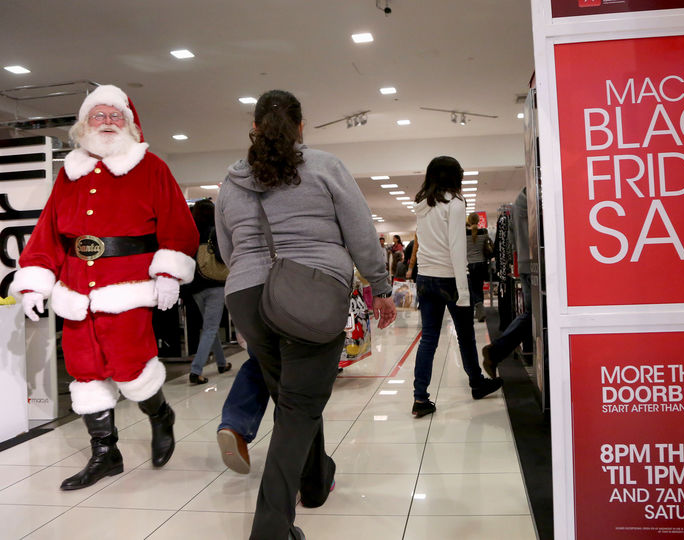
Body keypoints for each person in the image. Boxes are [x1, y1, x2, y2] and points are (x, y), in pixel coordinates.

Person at [214, 89, 396, 540]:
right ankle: (271, 529)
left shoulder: (230, 180)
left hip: (246, 297)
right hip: (308, 293)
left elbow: (225, 249)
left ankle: (315, 482)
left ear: (254, 127)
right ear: (301, 127)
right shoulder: (324, 166)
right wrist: (382, 287)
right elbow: (359, 233)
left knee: (294, 400)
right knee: (297, 409)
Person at [10, 84, 199, 490]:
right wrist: (34, 282)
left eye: (116, 116)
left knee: (131, 367)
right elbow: (48, 233)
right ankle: (104, 453)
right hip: (76, 290)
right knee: (85, 370)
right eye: (99, 115)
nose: (107, 122)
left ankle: (159, 413)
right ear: (84, 124)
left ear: (129, 124)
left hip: (128, 285)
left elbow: (177, 226)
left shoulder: (151, 168)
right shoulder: (70, 172)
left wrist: (168, 274)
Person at [410, 156, 503, 418]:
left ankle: (420, 398)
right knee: (465, 335)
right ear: (455, 176)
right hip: (449, 278)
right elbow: (456, 247)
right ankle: (476, 383)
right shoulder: (455, 203)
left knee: (428, 339)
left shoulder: (422, 204)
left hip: (425, 278)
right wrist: (463, 290)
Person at [483, 186, 534, 378]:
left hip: (526, 262)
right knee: (537, 315)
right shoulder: (533, 197)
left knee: (533, 314)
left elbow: (511, 239)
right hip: (538, 262)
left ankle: (496, 352)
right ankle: (496, 351)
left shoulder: (519, 201)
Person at [184, 199, 232, 384]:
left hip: (195, 286)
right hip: (215, 284)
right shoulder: (216, 231)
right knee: (211, 327)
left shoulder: (190, 232)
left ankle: (221, 363)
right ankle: (196, 371)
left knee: (209, 327)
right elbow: (222, 256)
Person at [465, 212, 492, 322]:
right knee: (479, 287)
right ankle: (479, 310)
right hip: (482, 264)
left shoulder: (464, 234)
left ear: (469, 221)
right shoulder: (484, 233)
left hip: (470, 265)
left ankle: (479, 308)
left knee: (472, 289)